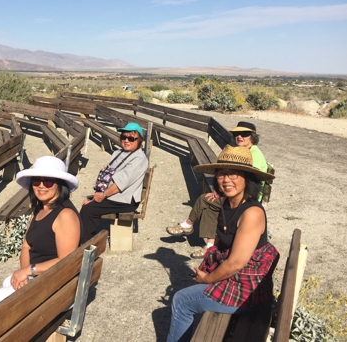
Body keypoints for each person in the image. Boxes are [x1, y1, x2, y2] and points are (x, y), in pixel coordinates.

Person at [167, 145, 279, 342]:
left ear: (247, 177)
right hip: (239, 280)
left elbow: (236, 264)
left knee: (181, 301)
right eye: (221, 174)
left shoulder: (252, 213)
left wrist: (207, 279)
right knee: (186, 294)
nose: (226, 180)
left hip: (249, 291)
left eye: (234, 174)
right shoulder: (228, 203)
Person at [0, 156, 81, 310]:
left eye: (48, 181)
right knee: (9, 281)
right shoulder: (40, 210)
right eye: (37, 181)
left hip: (58, 284)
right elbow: (26, 246)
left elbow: (66, 261)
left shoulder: (65, 215)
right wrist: (26, 275)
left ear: (60, 185)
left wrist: (30, 271)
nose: (41, 186)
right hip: (41, 277)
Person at [166, 121, 268, 259]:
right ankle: (208, 245)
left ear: (253, 137)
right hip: (237, 195)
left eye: (244, 134)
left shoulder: (253, 155)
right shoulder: (244, 151)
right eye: (236, 134)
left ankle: (189, 226)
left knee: (206, 200)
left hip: (247, 197)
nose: (239, 137)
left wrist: (221, 192)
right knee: (209, 200)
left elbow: (246, 182)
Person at [79, 122, 149, 242]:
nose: (126, 140)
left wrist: (102, 195)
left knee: (88, 210)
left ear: (139, 140)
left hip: (125, 200)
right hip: (114, 196)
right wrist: (94, 196)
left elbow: (120, 184)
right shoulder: (118, 153)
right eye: (123, 137)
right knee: (87, 205)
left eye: (131, 138)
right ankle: (83, 239)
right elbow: (106, 178)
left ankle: (85, 244)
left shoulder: (139, 159)